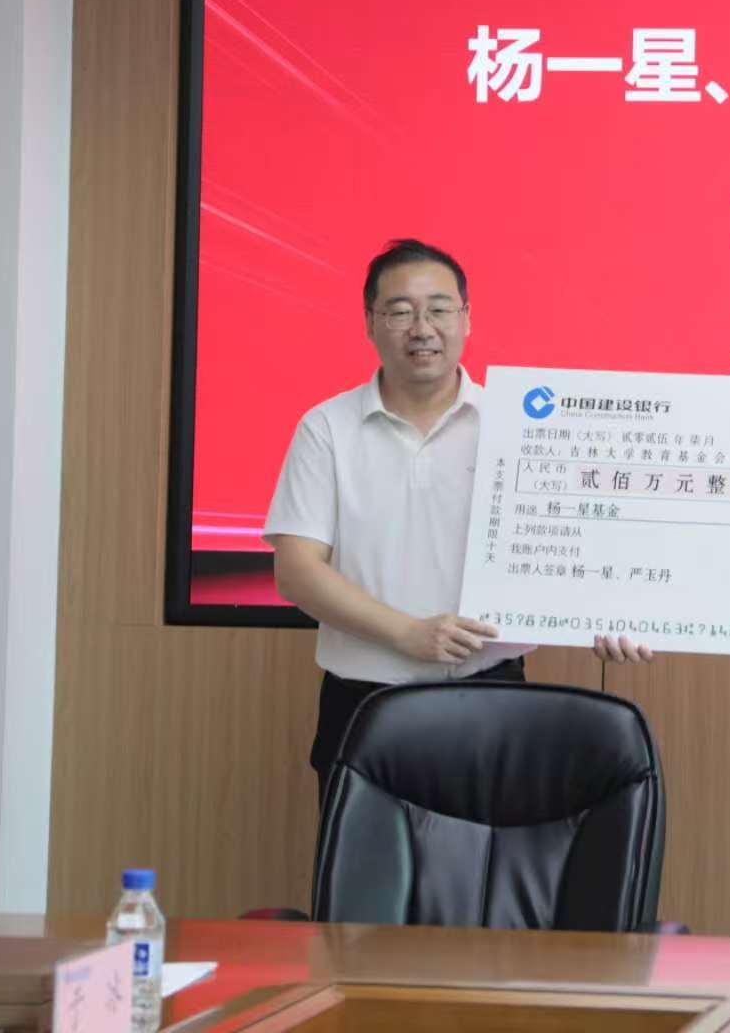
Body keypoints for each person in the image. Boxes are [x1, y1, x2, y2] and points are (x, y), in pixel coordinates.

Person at [263, 238, 651, 812]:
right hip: (364, 703)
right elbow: (296, 570)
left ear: (467, 319)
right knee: (364, 870)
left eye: (440, 309)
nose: (422, 328)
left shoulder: (520, 427)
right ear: (370, 322)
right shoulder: (326, 428)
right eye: (400, 311)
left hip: (492, 695)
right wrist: (408, 634)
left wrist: (605, 614)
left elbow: (576, 549)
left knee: (489, 866)